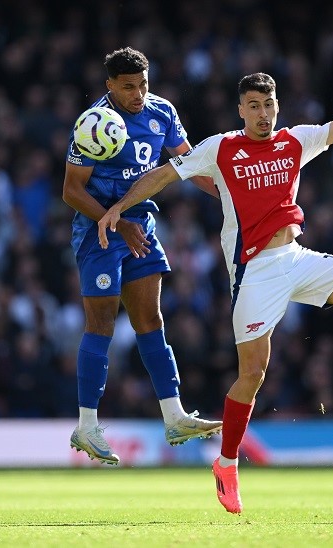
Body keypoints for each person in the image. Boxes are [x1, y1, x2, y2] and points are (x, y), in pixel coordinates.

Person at [98, 56, 333, 510]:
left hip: (297, 257)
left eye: (269, 104)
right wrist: (118, 208)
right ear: (240, 110)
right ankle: (226, 464)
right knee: (252, 375)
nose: (263, 113)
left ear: (277, 106)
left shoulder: (295, 141)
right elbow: (164, 174)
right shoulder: (220, 148)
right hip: (255, 273)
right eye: (253, 106)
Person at [62, 47, 222, 466]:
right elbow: (71, 190)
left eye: (144, 84)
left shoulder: (162, 113)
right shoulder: (93, 124)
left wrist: (230, 194)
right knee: (101, 324)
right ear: (110, 86)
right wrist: (115, 222)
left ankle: (174, 416)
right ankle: (86, 425)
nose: (138, 94)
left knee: (151, 320)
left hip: (142, 228)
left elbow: (188, 165)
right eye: (128, 86)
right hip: (98, 233)